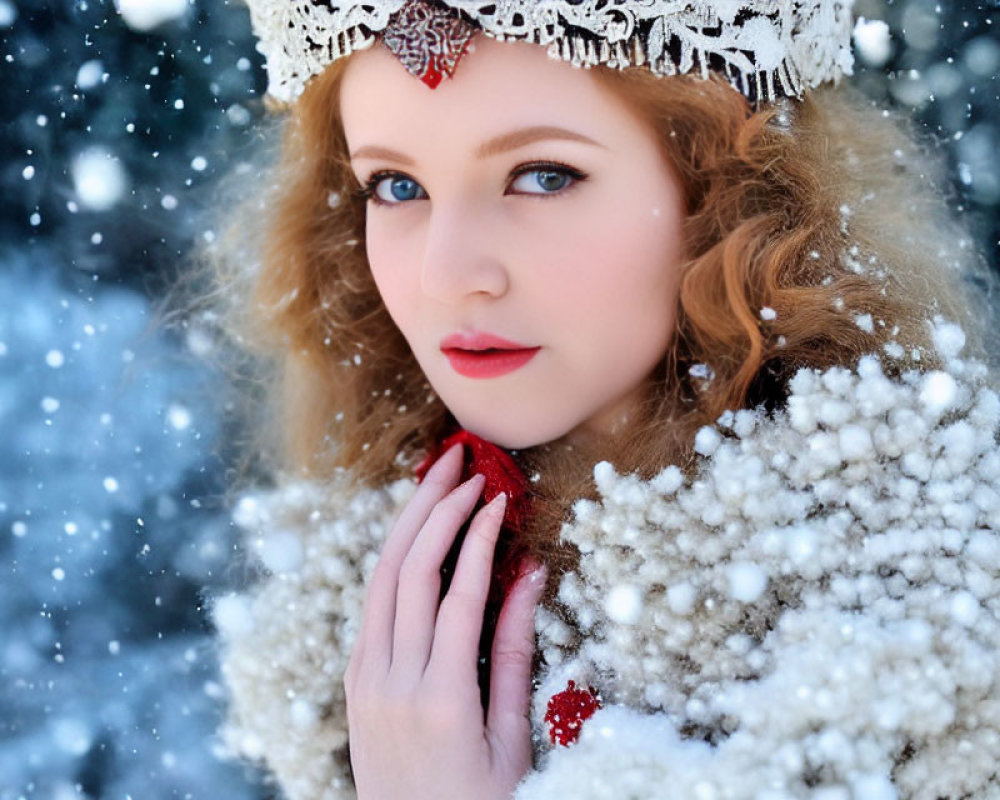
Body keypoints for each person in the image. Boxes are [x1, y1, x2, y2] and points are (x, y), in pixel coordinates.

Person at [208, 2, 1000, 798]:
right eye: (397, 185)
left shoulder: (935, 623)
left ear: (726, 195)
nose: (445, 274)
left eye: (544, 176)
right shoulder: (347, 595)